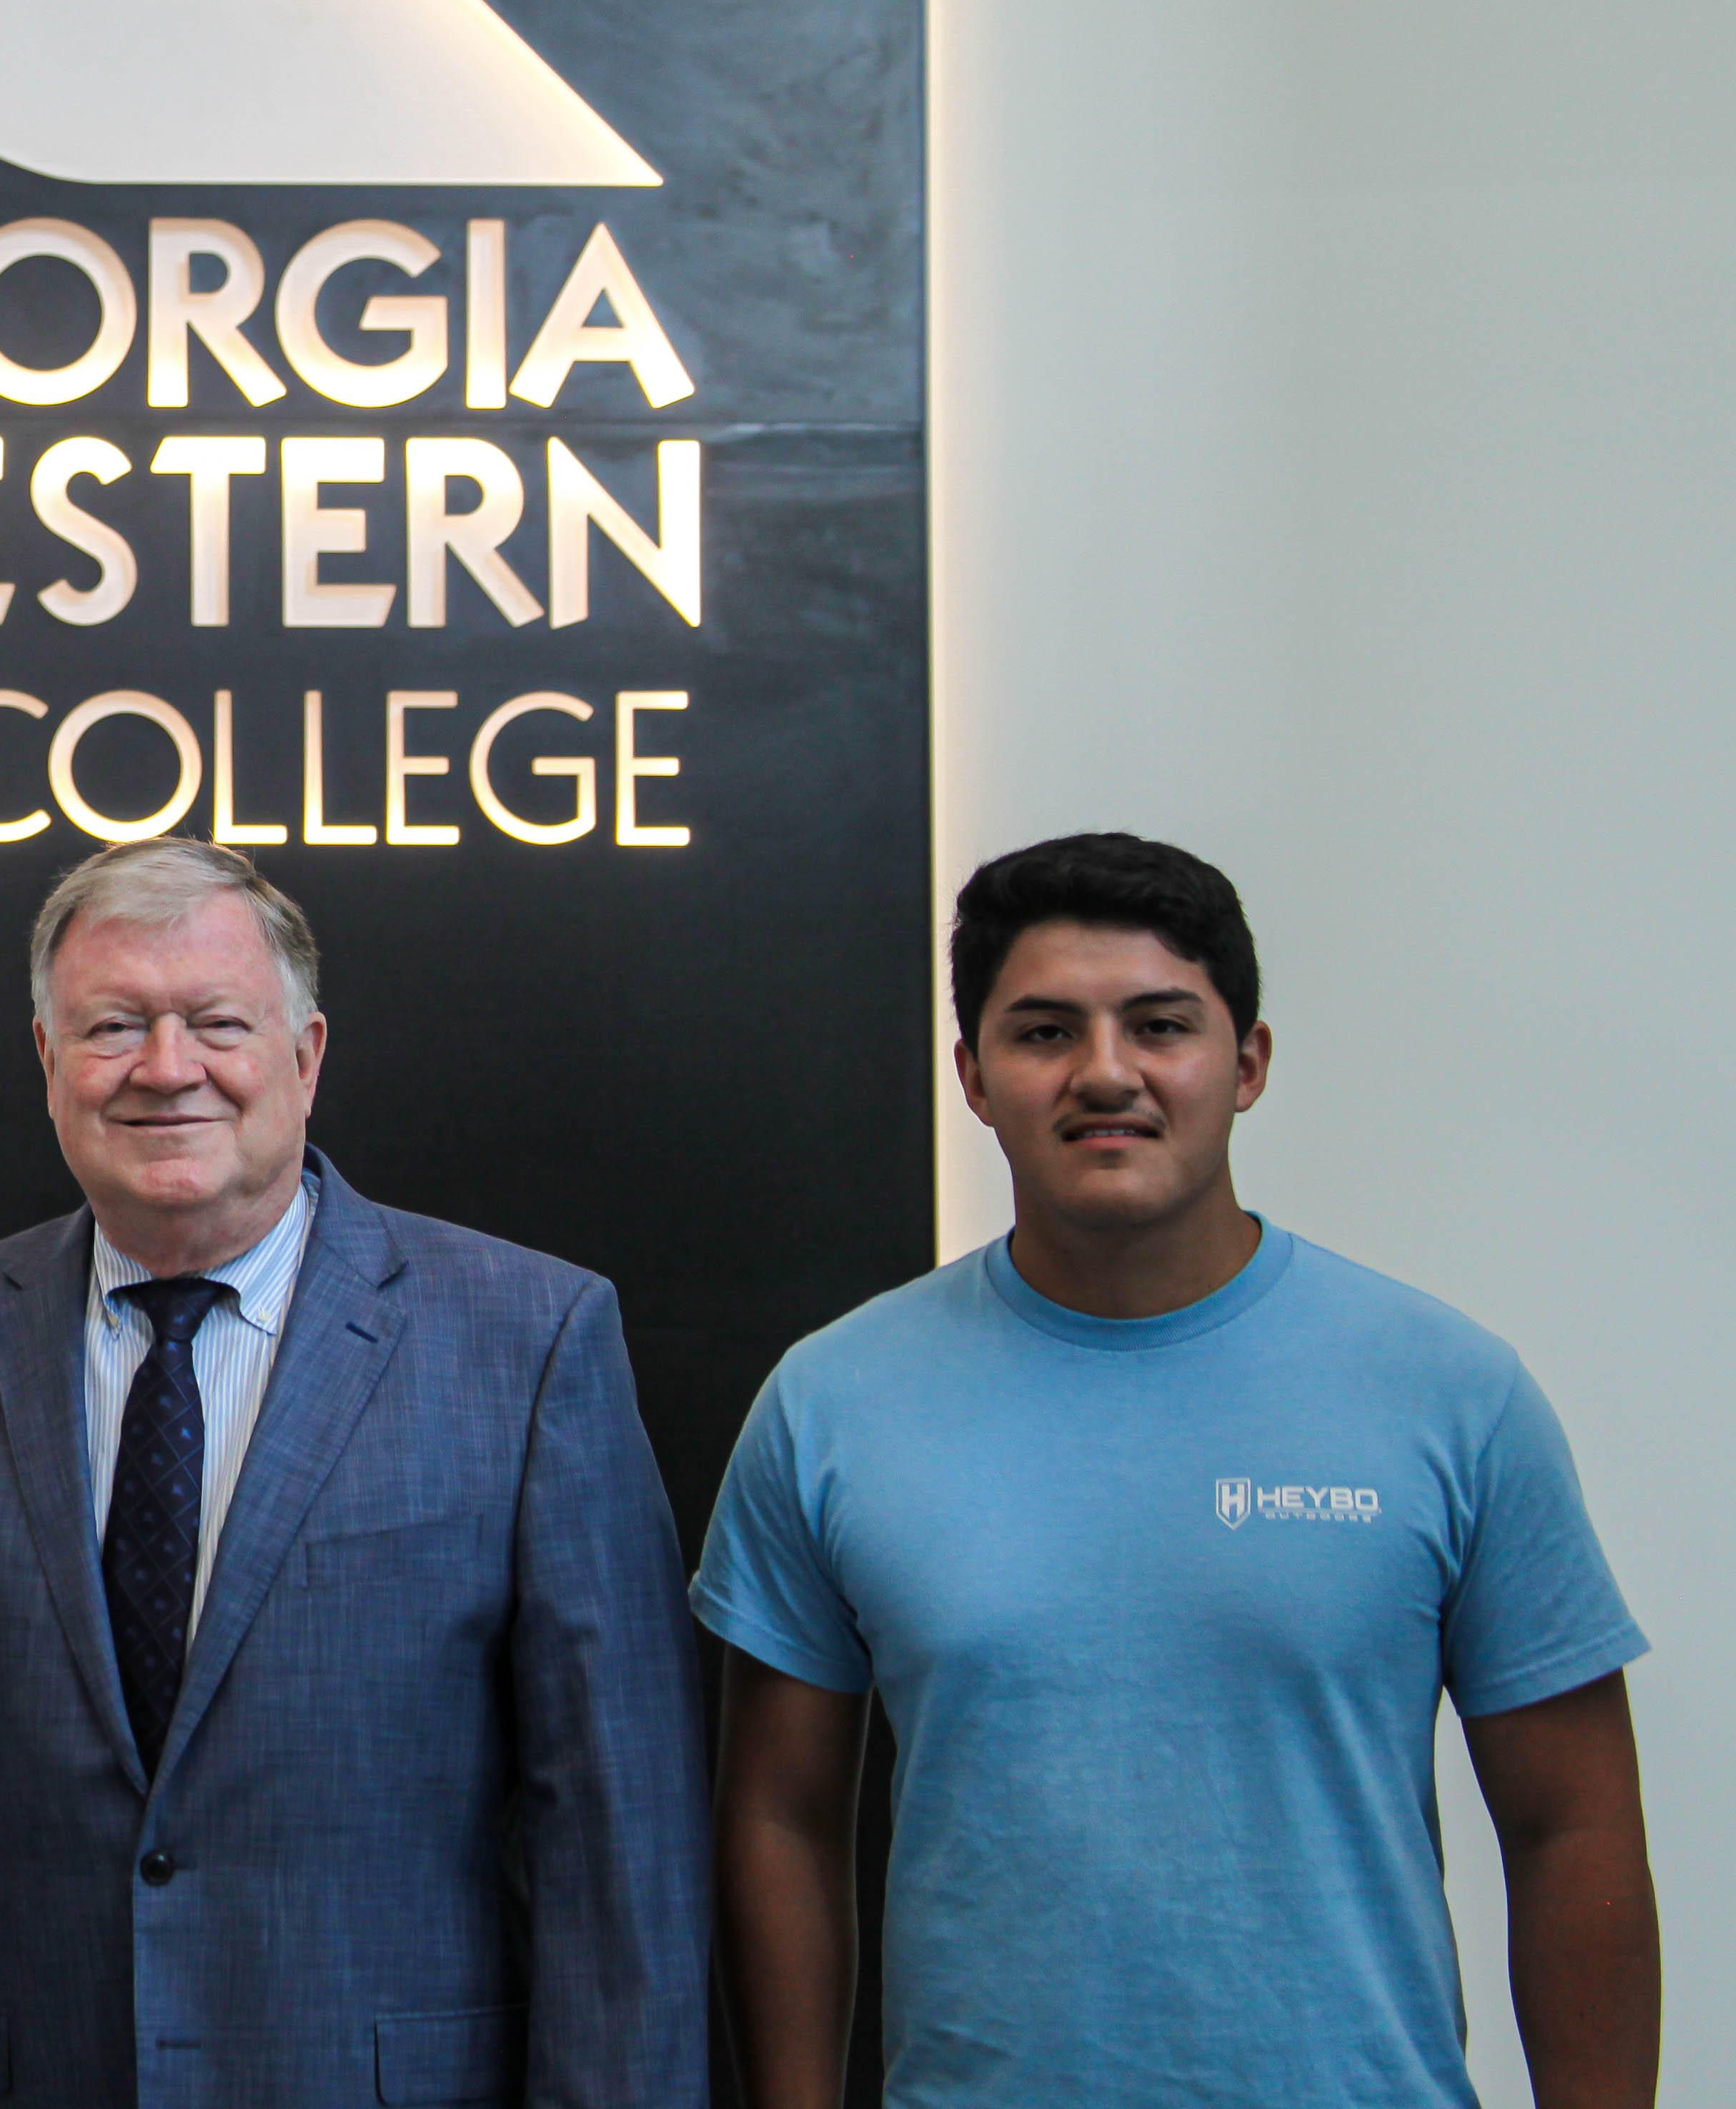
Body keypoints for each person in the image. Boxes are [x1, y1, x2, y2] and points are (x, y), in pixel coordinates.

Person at [699, 832, 1659, 2109]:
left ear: (1248, 1062)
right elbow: (779, 1817)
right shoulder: (831, 1403)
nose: (1106, 1073)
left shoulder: (1449, 1392)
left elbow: (1573, 1827)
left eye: (1161, 1024)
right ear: (973, 1077)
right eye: (1044, 1032)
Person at [0, 837, 708, 2109]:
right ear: (48, 1060)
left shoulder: (528, 1337)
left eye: (217, 1022)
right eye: (113, 1026)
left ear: (306, 1056)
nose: (166, 1068)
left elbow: (621, 1851)